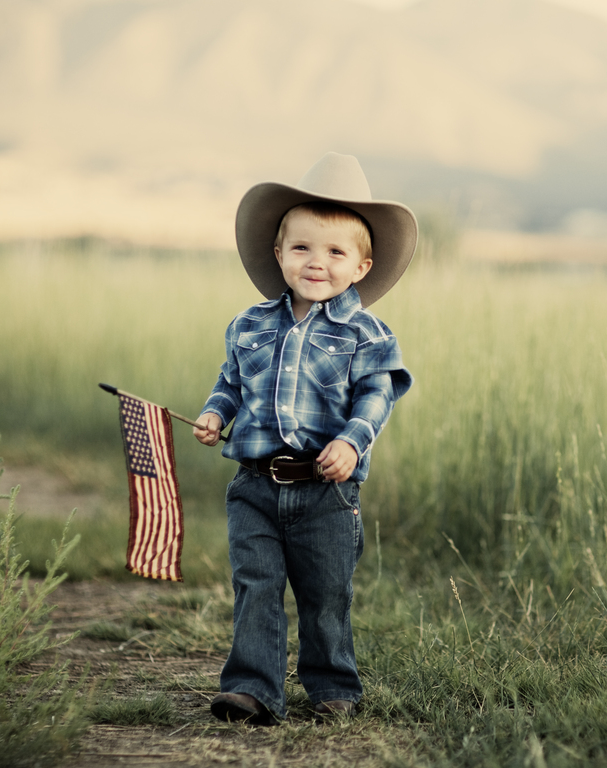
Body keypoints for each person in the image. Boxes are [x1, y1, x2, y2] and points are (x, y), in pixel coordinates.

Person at [193, 152, 415, 725]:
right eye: (302, 249)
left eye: (335, 252)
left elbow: (377, 395)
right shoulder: (250, 324)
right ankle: (251, 688)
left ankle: (332, 687)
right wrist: (216, 414)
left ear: (362, 266)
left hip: (325, 492)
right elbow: (231, 382)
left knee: (325, 595)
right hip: (255, 486)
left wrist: (352, 442)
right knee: (256, 584)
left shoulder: (367, 333)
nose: (317, 263)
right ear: (278, 254)